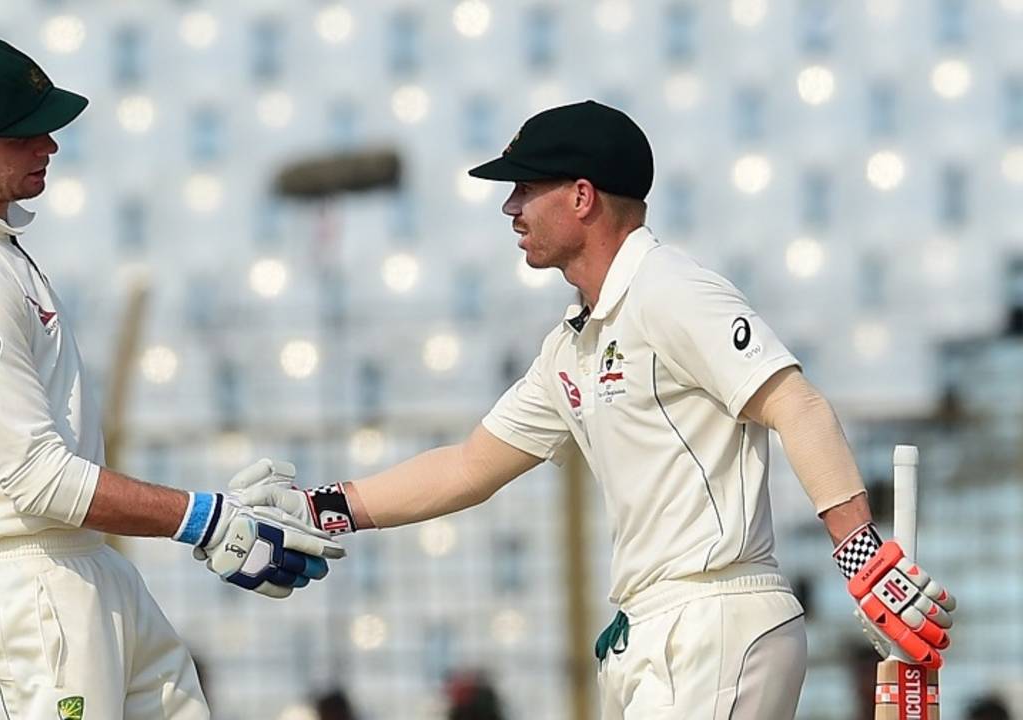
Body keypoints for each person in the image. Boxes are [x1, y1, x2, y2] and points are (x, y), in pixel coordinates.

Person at [234, 100, 957, 719]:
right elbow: (468, 466)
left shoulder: (671, 290)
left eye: (525, 189)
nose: (510, 208)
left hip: (717, 619)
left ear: (582, 197)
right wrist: (321, 506)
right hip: (657, 633)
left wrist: (862, 557)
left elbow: (795, 404)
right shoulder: (573, 344)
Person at [0, 35, 343, 719]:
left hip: (82, 568)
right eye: (22, 135)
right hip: (22, 587)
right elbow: (36, 478)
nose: (49, 146)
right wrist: (206, 521)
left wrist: (207, 521)